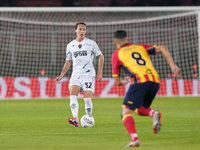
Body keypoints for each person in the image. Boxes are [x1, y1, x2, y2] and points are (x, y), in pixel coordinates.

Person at [111, 30, 180, 147]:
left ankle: (135, 139)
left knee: (125, 113)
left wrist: (125, 80)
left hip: (139, 82)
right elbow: (162, 47)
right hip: (155, 81)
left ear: (114, 42)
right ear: (127, 40)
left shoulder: (116, 54)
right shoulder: (140, 47)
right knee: (139, 109)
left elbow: (118, 82)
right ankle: (154, 113)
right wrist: (173, 65)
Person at [55, 22, 104, 127]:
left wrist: (100, 72)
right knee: (72, 94)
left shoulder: (91, 43)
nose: (82, 31)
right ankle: (75, 119)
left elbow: (101, 56)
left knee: (87, 99)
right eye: (80, 29)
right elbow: (68, 61)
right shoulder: (70, 45)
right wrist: (62, 74)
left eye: (84, 29)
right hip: (76, 75)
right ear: (75, 30)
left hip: (88, 75)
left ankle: (89, 116)